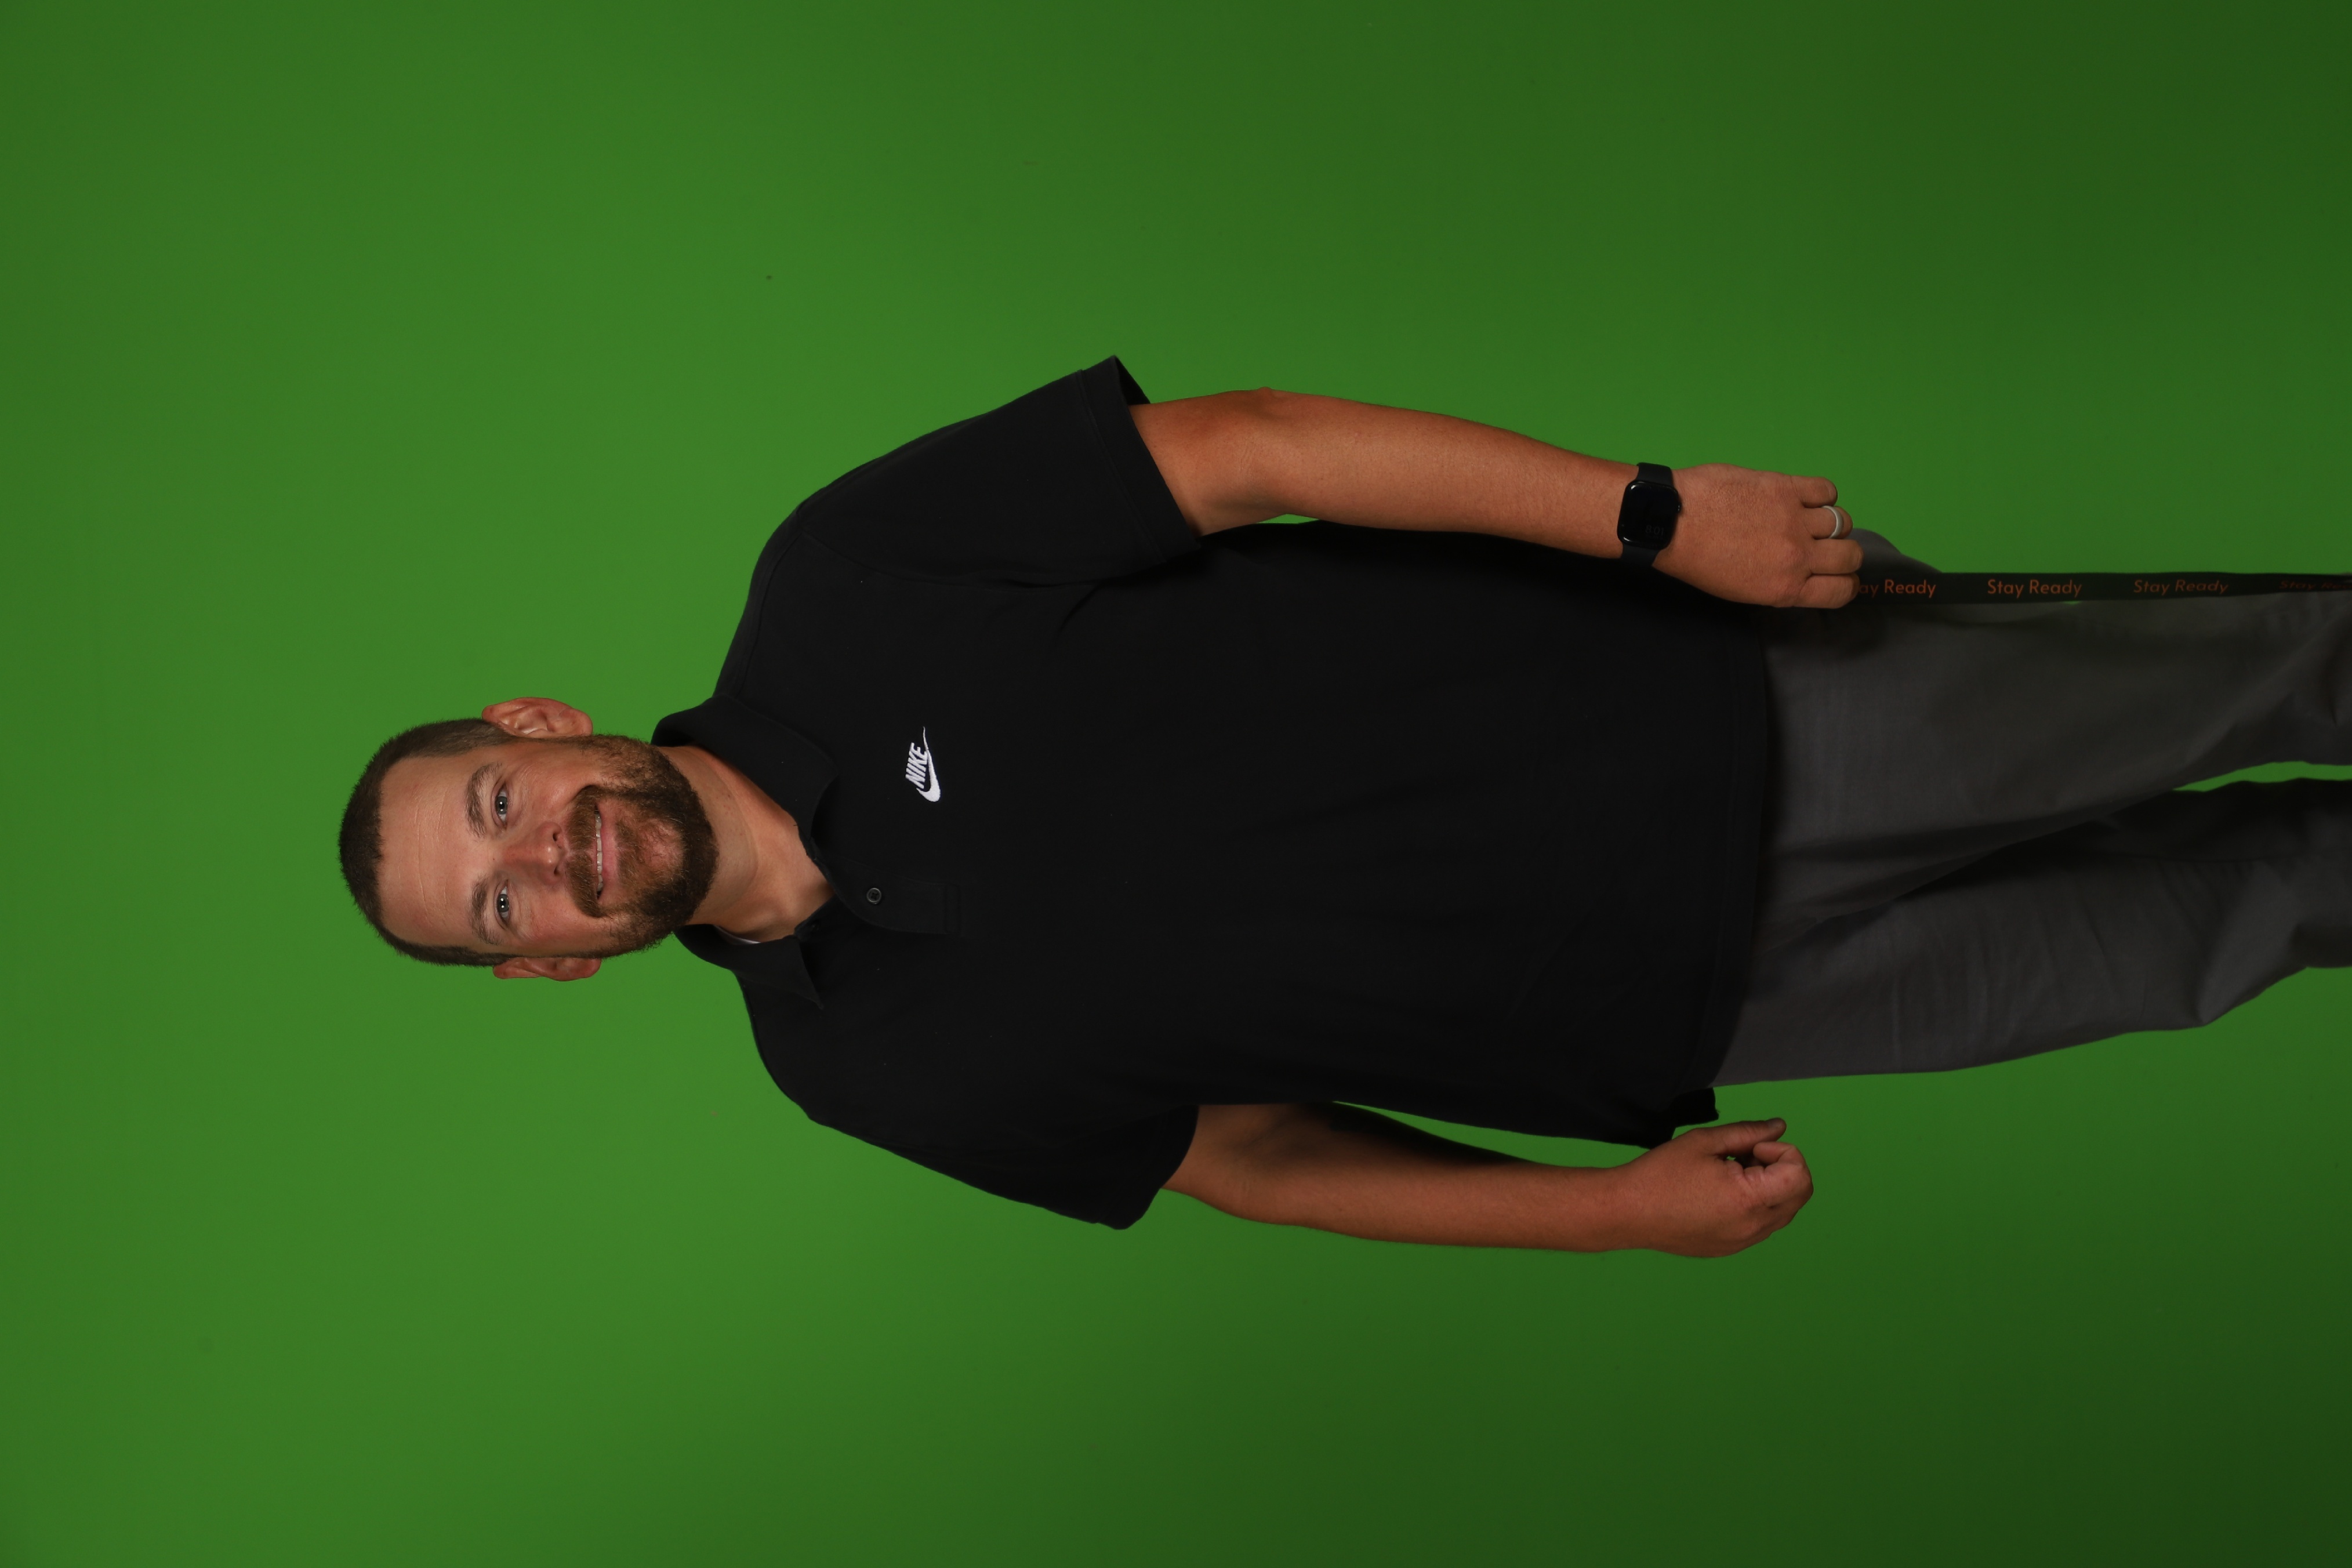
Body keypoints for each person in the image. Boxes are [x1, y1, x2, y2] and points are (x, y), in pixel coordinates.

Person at [337, 360, 2352, 1256]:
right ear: (553, 966)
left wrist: (1652, 517)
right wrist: (1607, 1216)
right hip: (1710, 1010)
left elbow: (1254, 451)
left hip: (1723, 708)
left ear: (542, 721)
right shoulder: (848, 1070)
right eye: (498, 900)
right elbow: (1253, 1158)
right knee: (2255, 919)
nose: (543, 855)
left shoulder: (844, 581)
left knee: (2283, 668)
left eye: (501, 800)